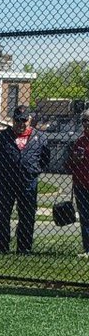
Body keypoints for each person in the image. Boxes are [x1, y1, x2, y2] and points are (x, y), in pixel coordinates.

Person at [0, 104, 51, 255]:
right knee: (2, 215)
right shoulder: (1, 137)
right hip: (5, 182)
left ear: (30, 120)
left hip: (28, 182)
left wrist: (33, 171)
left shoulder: (40, 138)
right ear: (13, 120)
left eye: (24, 120)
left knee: (27, 215)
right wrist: (1, 170)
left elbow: (45, 159)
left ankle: (24, 248)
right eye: (17, 120)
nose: (21, 124)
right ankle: (2, 248)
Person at [68, 108, 89, 257]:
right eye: (84, 121)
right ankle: (87, 249)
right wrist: (74, 160)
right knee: (85, 218)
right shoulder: (80, 141)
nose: (86, 124)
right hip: (81, 185)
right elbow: (68, 165)